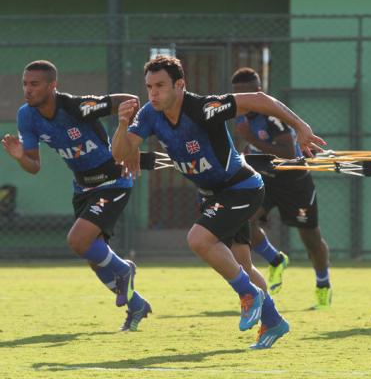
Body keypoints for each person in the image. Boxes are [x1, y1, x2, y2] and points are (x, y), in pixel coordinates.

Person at [111, 55, 325, 348]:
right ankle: (273, 322)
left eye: (160, 85)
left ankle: (248, 294)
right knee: (243, 266)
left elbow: (259, 99)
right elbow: (120, 154)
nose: (153, 93)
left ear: (180, 85)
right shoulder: (149, 114)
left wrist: (300, 126)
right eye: (149, 87)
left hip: (242, 188)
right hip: (211, 195)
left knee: (198, 239)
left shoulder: (204, 108)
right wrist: (122, 124)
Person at [1, 60, 151, 331]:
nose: (27, 90)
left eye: (34, 84)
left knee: (77, 240)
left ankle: (124, 269)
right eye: (25, 84)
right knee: (95, 259)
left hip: (113, 180)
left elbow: (130, 100)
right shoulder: (27, 115)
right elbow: (34, 167)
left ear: (52, 86)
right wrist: (21, 156)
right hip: (83, 188)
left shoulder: (78, 107)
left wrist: (132, 143)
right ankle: (137, 304)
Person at [231, 67, 332, 309]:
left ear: (257, 92)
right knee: (243, 222)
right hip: (265, 180)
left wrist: (251, 139)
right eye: (237, 94)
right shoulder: (241, 115)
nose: (241, 99)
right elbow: (254, 147)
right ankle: (275, 259)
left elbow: (287, 152)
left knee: (310, 237)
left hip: (293, 181)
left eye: (246, 93)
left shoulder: (272, 117)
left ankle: (323, 285)